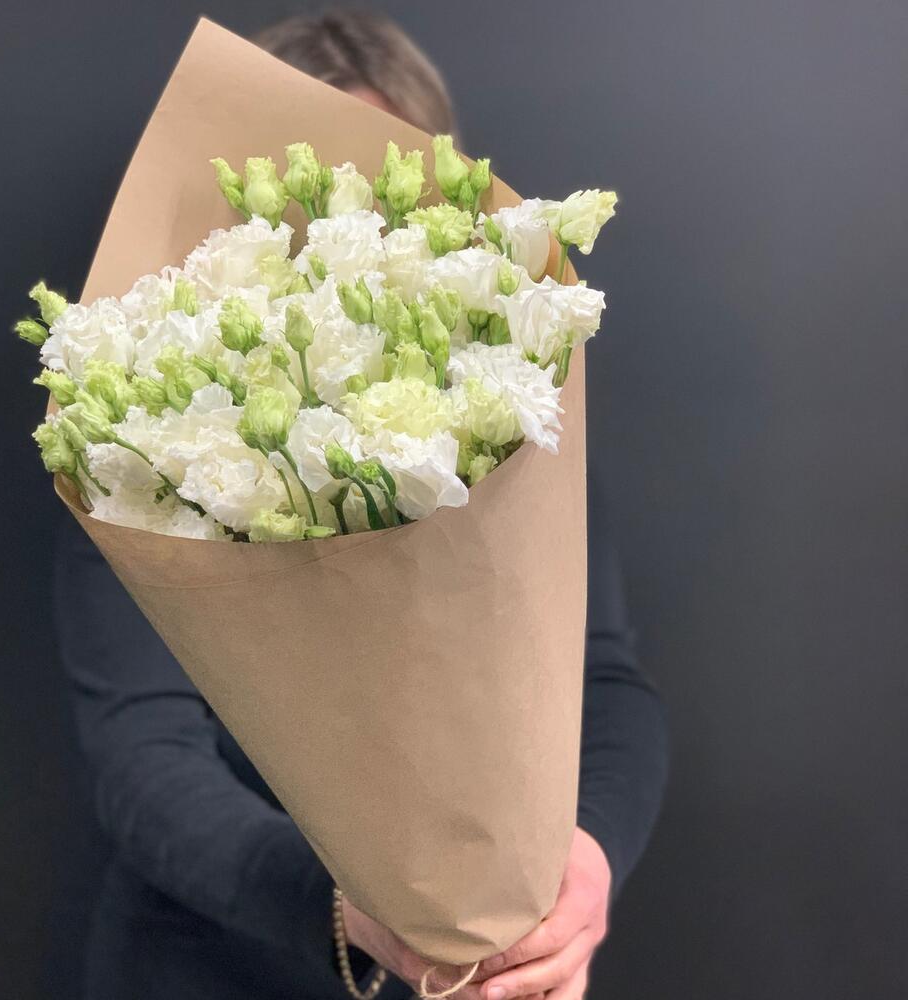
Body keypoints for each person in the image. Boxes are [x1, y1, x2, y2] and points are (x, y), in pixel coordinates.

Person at [54, 10, 669, 1000]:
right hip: (213, 968)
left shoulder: (509, 414)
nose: (340, 222)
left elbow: (605, 680)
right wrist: (352, 913)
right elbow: (143, 756)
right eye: (311, 190)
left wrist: (585, 870)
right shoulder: (145, 444)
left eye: (378, 184)